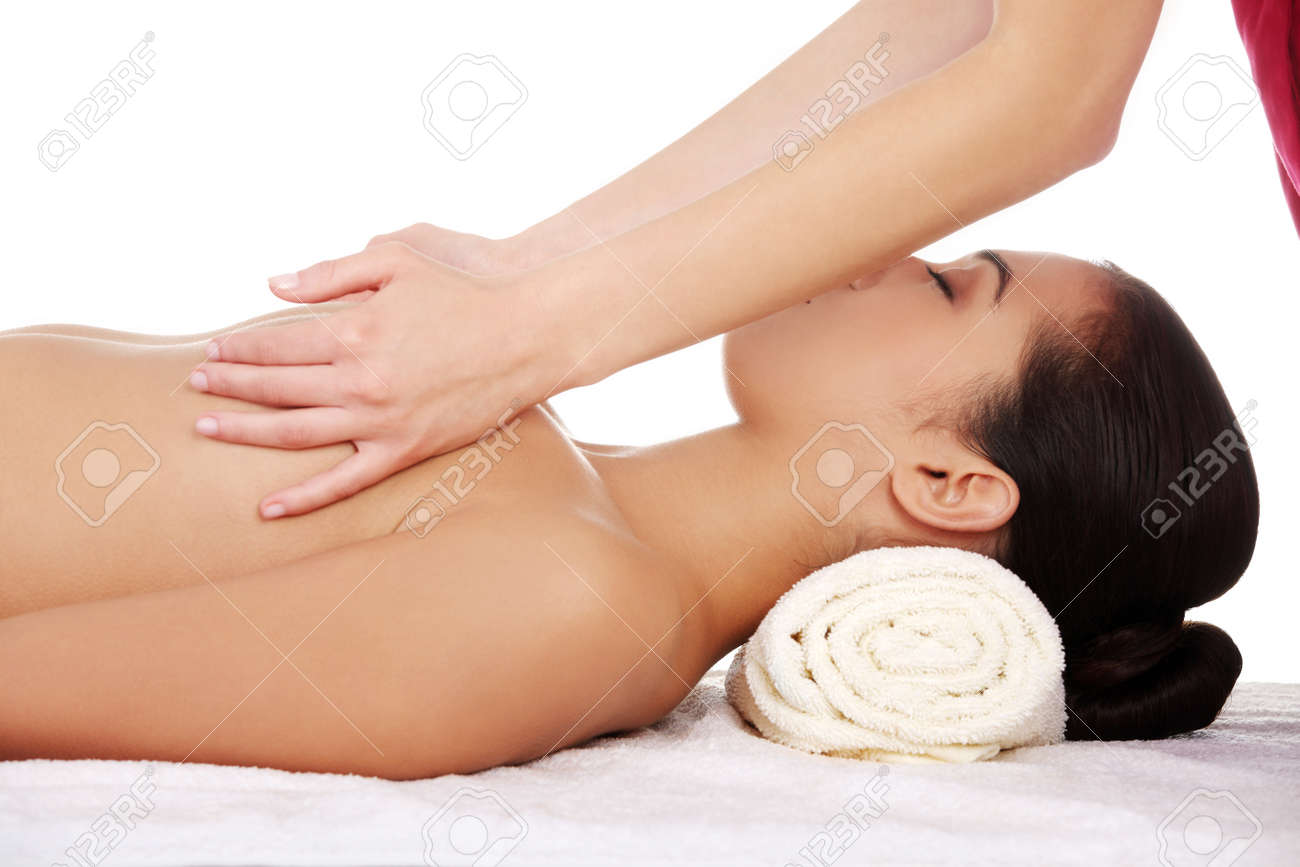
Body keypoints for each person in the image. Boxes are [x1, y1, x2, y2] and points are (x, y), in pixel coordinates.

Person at [0, 246, 1257, 779]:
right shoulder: (553, 461)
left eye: (941, 283)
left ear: (947, 482)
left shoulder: (576, 603)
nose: (877, 247)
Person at [183, 0, 1166, 519]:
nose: (876, 257)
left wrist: (519, 334)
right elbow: (956, 18)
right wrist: (518, 272)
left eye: (950, 283)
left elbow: (1053, 88)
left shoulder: (565, 583)